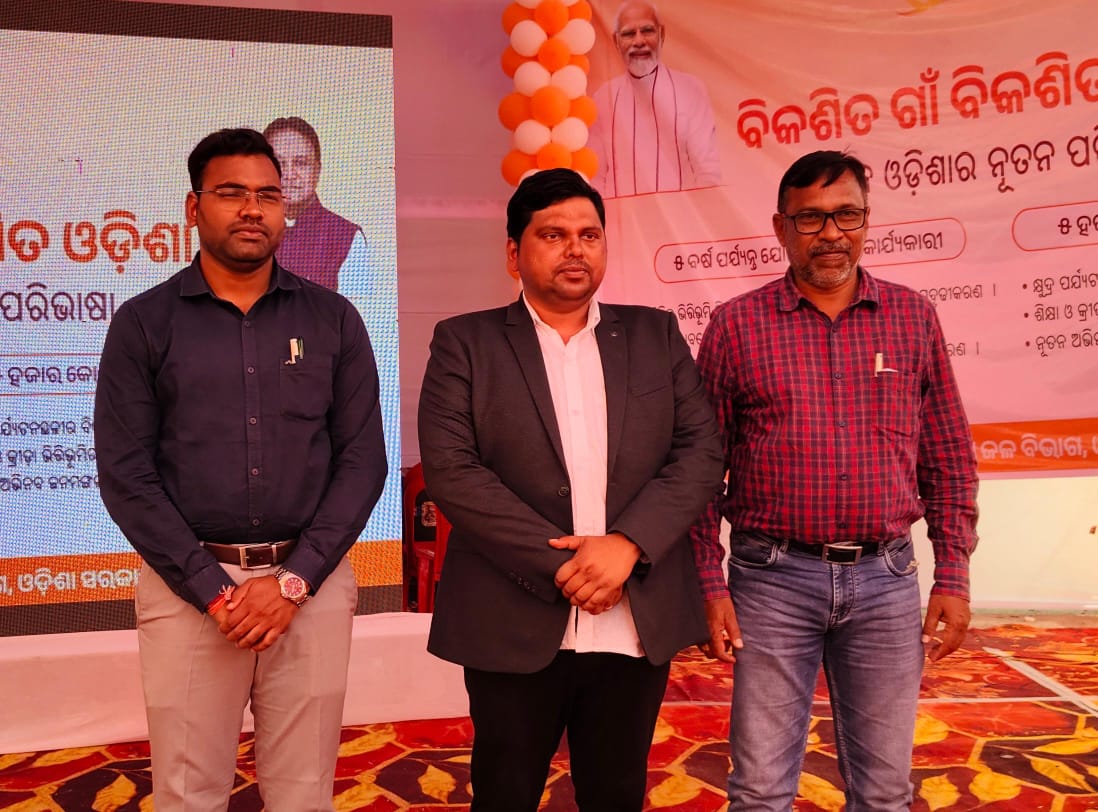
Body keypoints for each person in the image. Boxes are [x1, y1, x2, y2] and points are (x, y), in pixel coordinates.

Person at [95, 128, 387, 811]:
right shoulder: (144, 324)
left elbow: (362, 462)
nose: (253, 209)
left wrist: (293, 582)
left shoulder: (334, 320)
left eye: (268, 195)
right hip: (189, 592)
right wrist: (212, 591)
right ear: (193, 208)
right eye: (232, 193)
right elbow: (127, 473)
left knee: (304, 794)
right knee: (188, 794)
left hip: (310, 590)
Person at [418, 168, 723, 810]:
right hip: (512, 613)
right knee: (505, 794)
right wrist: (571, 566)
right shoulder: (465, 342)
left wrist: (628, 546)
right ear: (514, 253)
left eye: (589, 234)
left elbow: (701, 453)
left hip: (631, 618)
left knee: (616, 794)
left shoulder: (655, 335)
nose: (575, 249)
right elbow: (453, 472)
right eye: (553, 234)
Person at [691, 150, 979, 810]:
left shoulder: (912, 317)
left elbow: (948, 456)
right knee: (760, 792)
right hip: (769, 581)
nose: (830, 233)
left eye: (846, 215)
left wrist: (954, 575)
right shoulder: (736, 326)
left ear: (866, 220)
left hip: (887, 581)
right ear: (781, 227)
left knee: (884, 793)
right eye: (811, 218)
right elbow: (701, 471)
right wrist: (708, 583)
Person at [588, 1, 721, 197]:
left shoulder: (691, 89)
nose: (639, 41)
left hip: (681, 214)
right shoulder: (603, 98)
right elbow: (596, 177)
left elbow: (707, 171)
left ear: (662, 34)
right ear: (616, 41)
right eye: (629, 33)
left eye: (647, 30)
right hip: (623, 214)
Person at [263, 116, 367, 291]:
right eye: (278, 163)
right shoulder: (245, 230)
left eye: (300, 163)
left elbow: (357, 307)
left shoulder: (345, 237)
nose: (289, 174)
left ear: (317, 170)